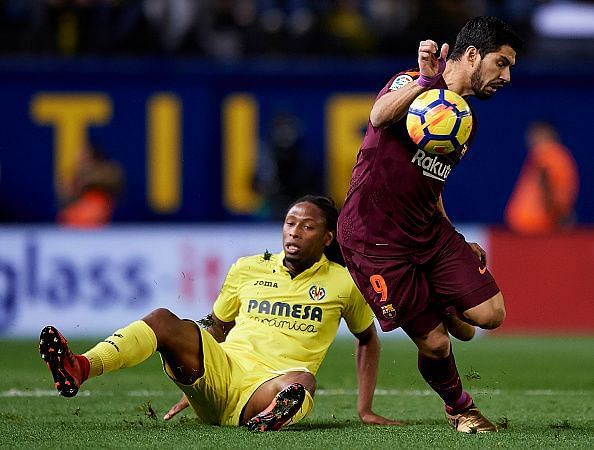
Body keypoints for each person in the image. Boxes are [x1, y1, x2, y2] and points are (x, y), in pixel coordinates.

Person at [40, 195, 399, 431]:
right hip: (221, 371)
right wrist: (191, 383)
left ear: (327, 238)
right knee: (165, 319)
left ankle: (269, 418)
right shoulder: (247, 267)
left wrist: (364, 408)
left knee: (302, 382)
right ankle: (81, 366)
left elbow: (367, 339)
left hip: (268, 386)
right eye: (290, 223)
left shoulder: (344, 283)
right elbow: (217, 326)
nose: (294, 232)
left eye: (308, 226)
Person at [337, 16, 523, 433]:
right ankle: (461, 409)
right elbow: (379, 115)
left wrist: (453, 235)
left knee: (489, 316)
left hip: (428, 231)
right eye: (502, 63)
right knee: (438, 342)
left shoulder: (464, 120)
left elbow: (432, 184)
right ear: (473, 55)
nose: (507, 76)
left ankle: (436, 296)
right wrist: (424, 81)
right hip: (374, 238)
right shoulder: (411, 82)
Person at [505, 121, 579, 235]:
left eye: (534, 134)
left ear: (546, 133)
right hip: (534, 225)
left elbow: (546, 181)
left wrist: (558, 217)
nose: (529, 138)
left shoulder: (547, 152)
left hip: (537, 226)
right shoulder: (557, 155)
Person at [56, 141, 125, 228]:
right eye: (80, 155)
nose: (80, 158)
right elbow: (66, 199)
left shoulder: (107, 170)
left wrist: (88, 180)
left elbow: (115, 184)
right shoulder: (75, 175)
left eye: (84, 154)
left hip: (101, 210)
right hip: (78, 212)